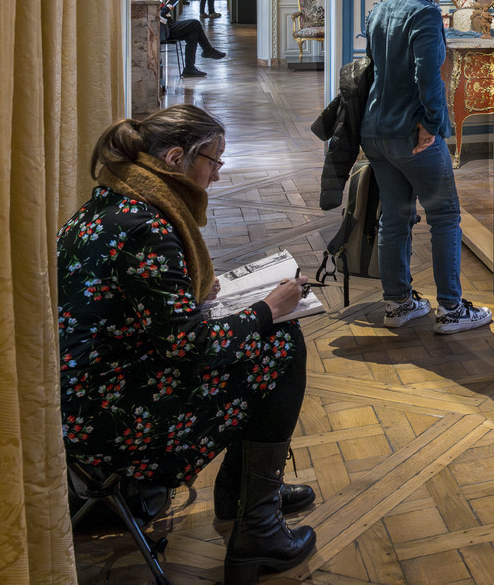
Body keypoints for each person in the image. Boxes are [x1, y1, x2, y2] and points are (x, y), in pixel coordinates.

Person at [58, 106, 317, 583]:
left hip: (83, 398)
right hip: (108, 421)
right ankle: (256, 524)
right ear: (177, 157)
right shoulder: (147, 228)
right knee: (281, 344)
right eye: (214, 161)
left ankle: (244, 496)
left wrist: (195, 298)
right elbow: (193, 349)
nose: (218, 174)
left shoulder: (113, 200)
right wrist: (268, 308)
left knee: (266, 339)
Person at [361, 0, 493, 334]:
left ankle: (399, 303)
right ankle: (452, 309)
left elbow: (375, 69)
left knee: (395, 220)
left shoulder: (381, 9)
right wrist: (431, 127)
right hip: (412, 134)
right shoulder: (425, 13)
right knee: (445, 218)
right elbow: (428, 78)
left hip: (376, 130)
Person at [136, 0, 225, 78]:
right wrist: (166, 9)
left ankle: (190, 68)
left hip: (167, 25)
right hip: (163, 29)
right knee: (195, 23)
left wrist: (165, 7)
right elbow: (155, 17)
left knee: (193, 35)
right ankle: (208, 50)